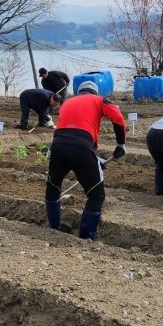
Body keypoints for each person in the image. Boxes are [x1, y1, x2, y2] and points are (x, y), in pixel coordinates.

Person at [44, 80, 126, 240]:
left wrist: (93, 158)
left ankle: (53, 228)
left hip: (58, 145)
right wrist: (121, 144)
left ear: (79, 92)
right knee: (96, 195)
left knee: (53, 187)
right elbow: (118, 118)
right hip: (81, 148)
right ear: (94, 92)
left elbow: (73, 128)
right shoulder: (99, 100)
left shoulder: (67, 102)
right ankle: (86, 237)